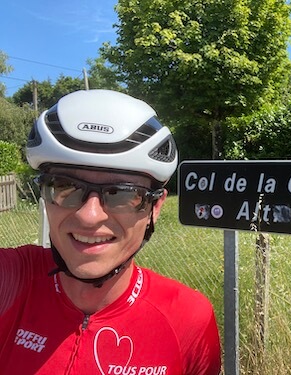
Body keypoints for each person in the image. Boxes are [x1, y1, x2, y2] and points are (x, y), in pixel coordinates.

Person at [0, 89, 221, 374]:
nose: (89, 216)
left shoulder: (188, 318)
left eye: (122, 194)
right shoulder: (10, 282)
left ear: (155, 207)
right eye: (65, 187)